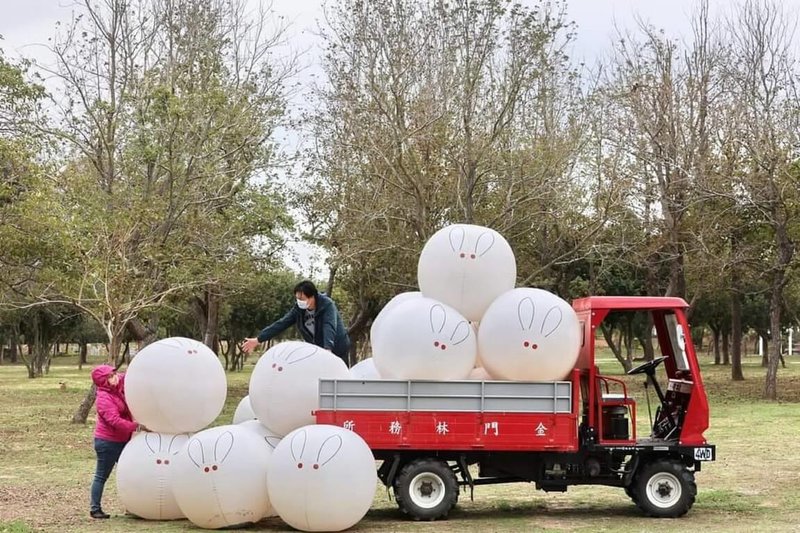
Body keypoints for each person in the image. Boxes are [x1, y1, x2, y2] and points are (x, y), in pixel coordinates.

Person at [242, 280, 352, 367]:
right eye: (297, 298)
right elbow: (281, 323)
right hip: (318, 351)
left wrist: (328, 349)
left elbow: (329, 326)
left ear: (312, 296)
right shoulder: (299, 309)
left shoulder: (327, 305)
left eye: (302, 298)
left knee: (340, 381)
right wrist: (258, 339)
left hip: (337, 348)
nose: (299, 301)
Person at [89, 364, 140, 519]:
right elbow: (115, 421)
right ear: (103, 381)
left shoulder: (116, 386)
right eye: (110, 376)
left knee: (131, 473)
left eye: (114, 373)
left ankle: (134, 507)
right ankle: (95, 509)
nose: (115, 377)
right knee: (101, 475)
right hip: (108, 443)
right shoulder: (104, 398)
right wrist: (136, 426)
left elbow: (131, 375)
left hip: (122, 440)